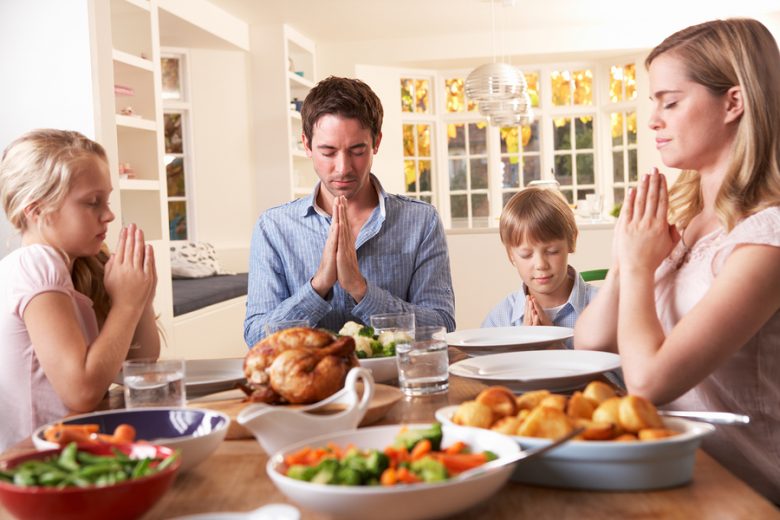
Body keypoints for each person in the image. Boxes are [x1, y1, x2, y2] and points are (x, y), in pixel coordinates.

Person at [574, 18, 780, 503]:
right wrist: (628, 259)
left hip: (744, 492)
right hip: (670, 473)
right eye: (654, 103)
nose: (653, 120)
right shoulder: (683, 215)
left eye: (671, 101)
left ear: (734, 102)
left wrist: (642, 268)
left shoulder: (766, 238)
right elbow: (590, 343)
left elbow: (647, 383)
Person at [244, 76, 455, 346]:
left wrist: (361, 290)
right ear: (307, 145)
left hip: (395, 380)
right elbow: (255, 337)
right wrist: (318, 286)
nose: (343, 167)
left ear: (376, 142)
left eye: (357, 150)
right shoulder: (273, 227)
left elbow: (441, 325)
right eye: (328, 152)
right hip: (311, 386)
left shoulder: (421, 221)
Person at [0, 129, 160, 451]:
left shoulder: (73, 268)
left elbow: (138, 365)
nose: (109, 214)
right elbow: (83, 391)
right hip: (35, 463)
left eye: (107, 199)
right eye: (92, 202)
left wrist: (141, 298)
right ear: (37, 210)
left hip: (71, 454)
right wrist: (126, 306)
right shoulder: (35, 264)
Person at [482, 187, 598, 347]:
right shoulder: (501, 319)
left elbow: (621, 372)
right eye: (526, 254)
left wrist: (555, 349)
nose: (541, 265)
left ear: (571, 242)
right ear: (511, 255)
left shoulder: (601, 308)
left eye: (552, 251)